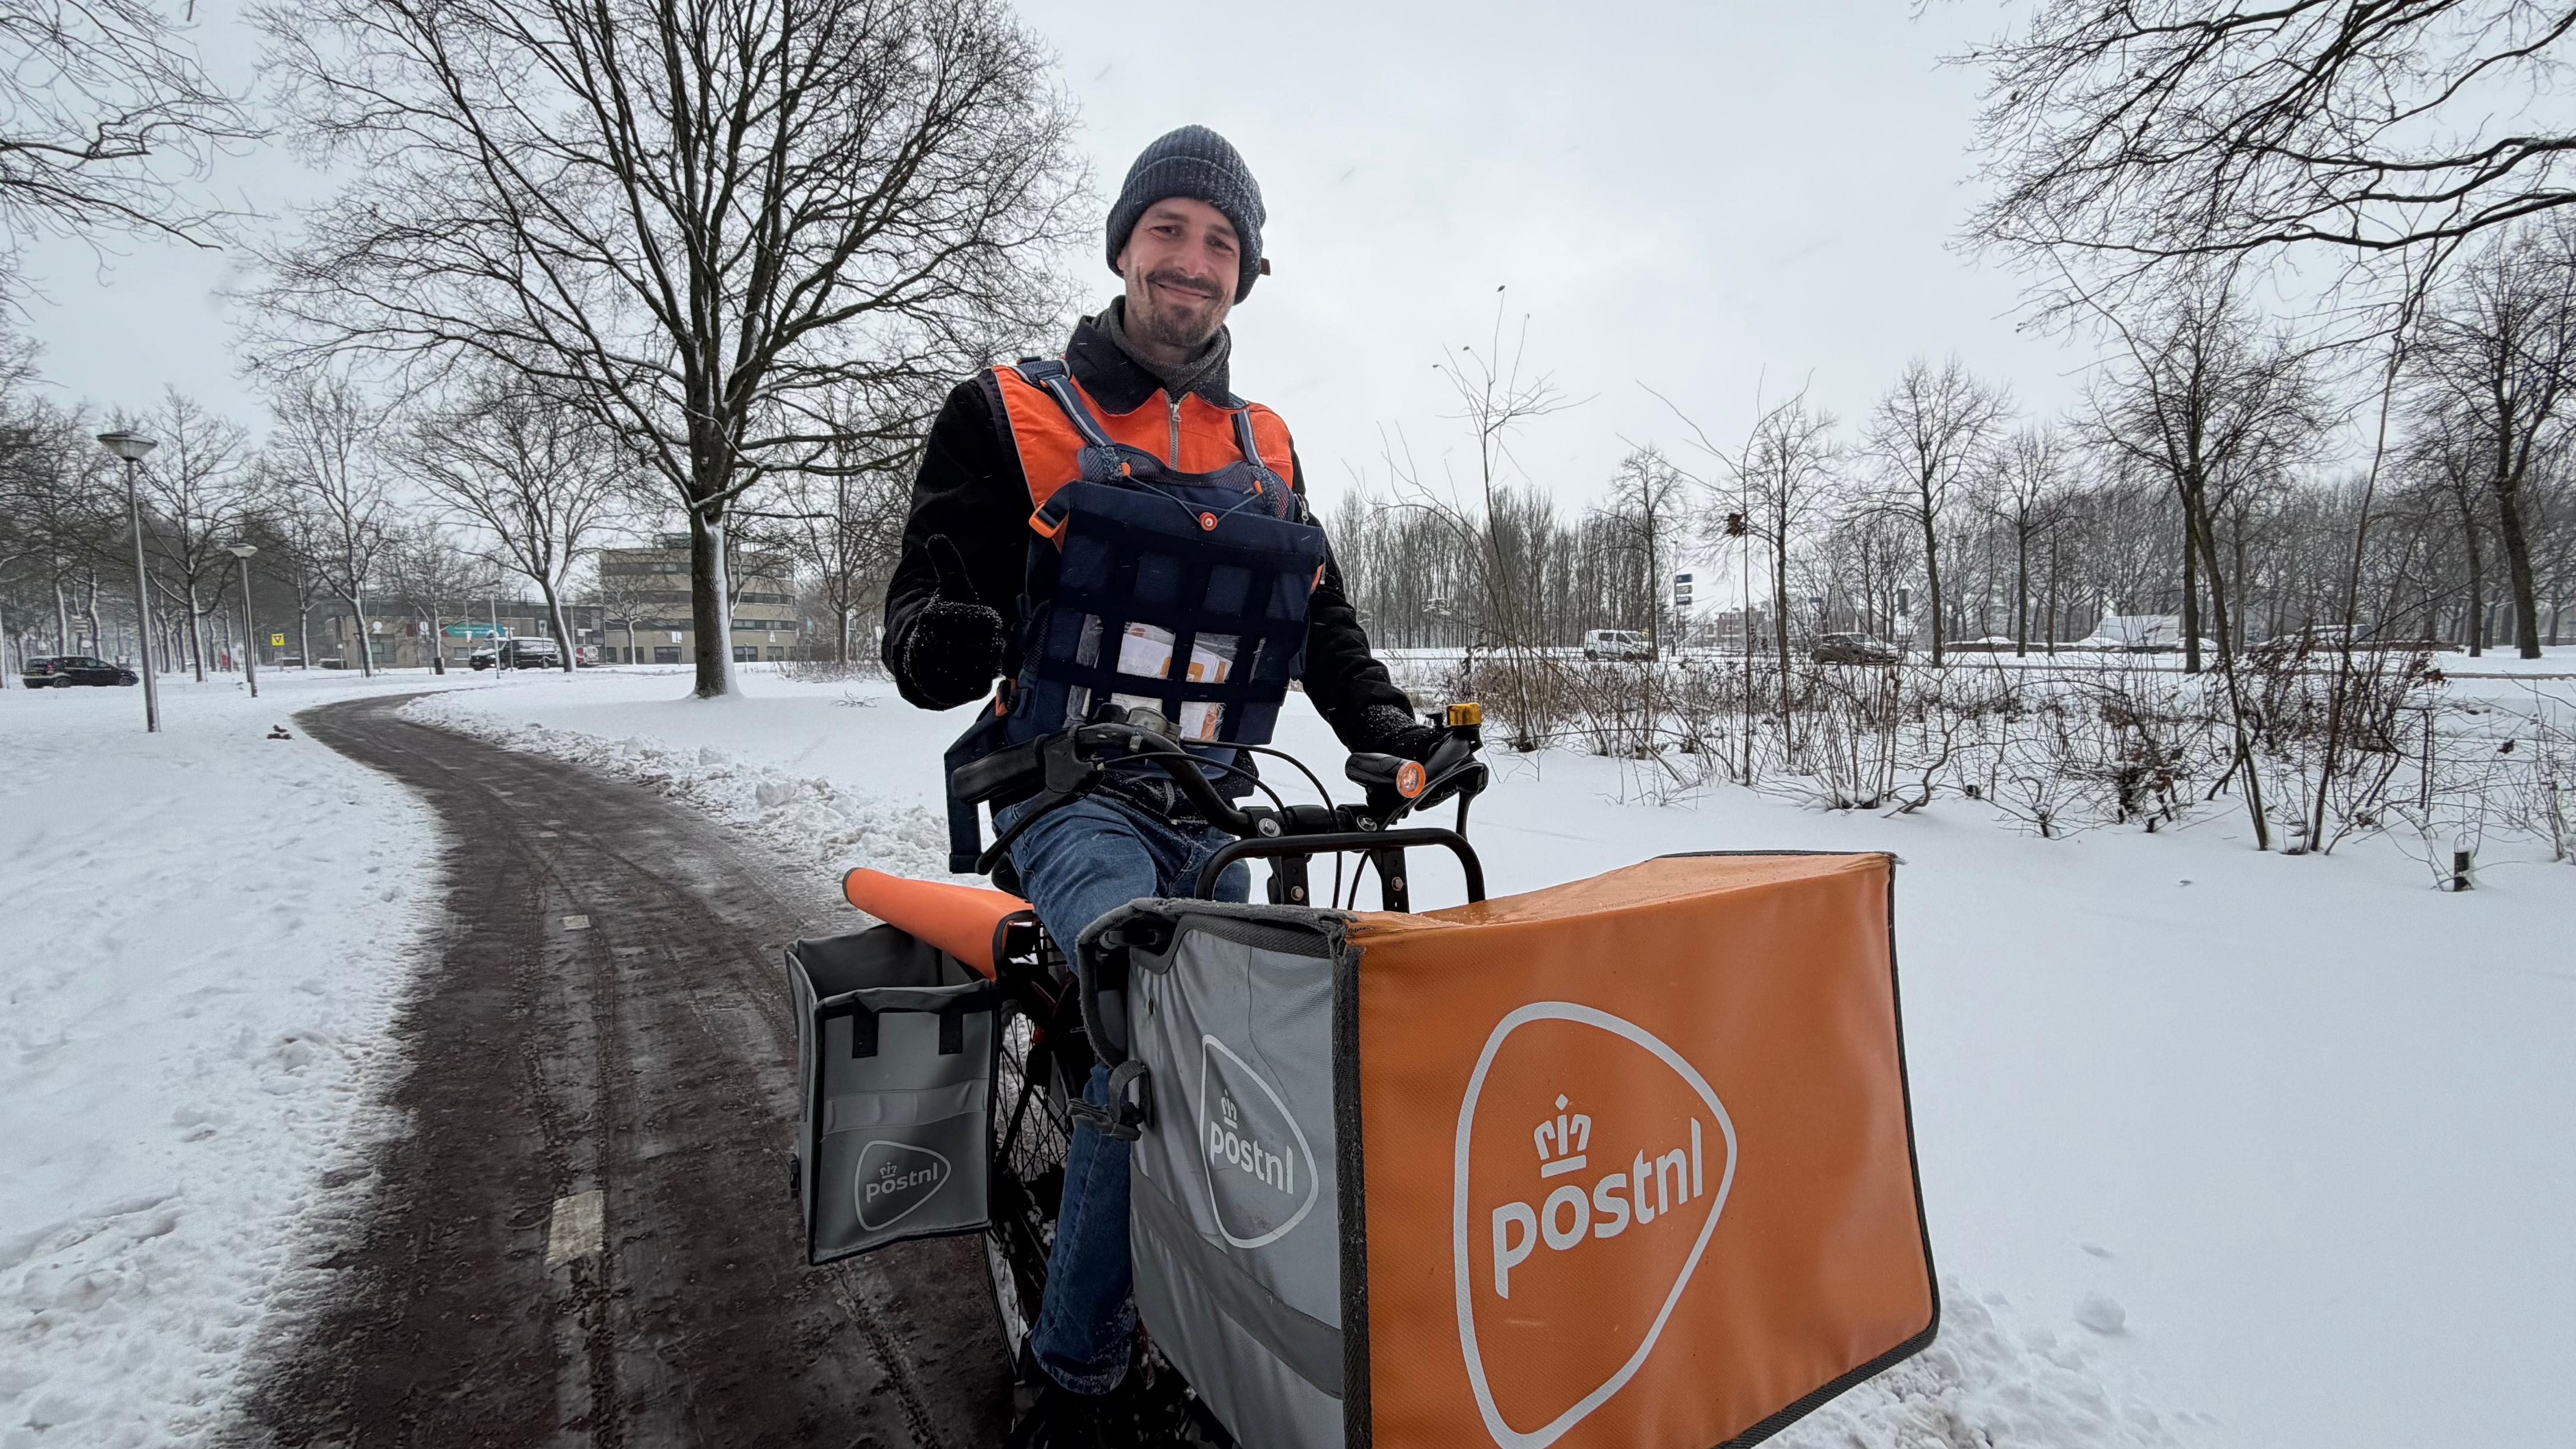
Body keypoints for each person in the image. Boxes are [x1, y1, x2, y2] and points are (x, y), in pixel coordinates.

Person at [881, 125, 1442, 1445]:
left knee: (1277, 1047)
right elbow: (924, 601)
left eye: (1219, 241)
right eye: (1168, 230)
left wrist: (1388, 727)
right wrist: (941, 637)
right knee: (1154, 1023)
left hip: (1211, 800)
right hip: (1064, 794)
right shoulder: (1007, 413)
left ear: (1246, 272)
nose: (1191, 260)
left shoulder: (1267, 444)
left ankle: (1227, 1316)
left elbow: (1317, 619)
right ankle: (1074, 1380)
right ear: (1125, 246)